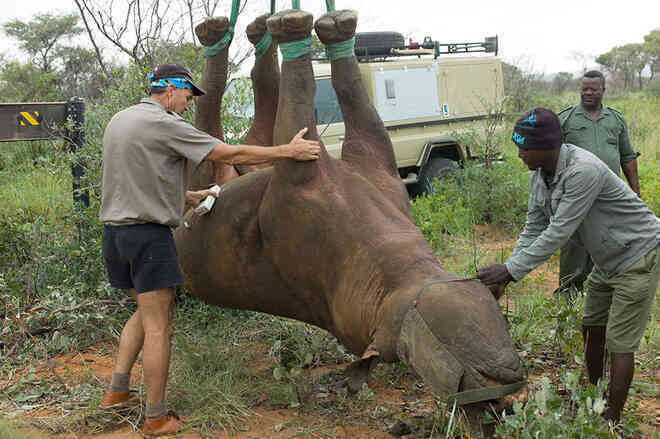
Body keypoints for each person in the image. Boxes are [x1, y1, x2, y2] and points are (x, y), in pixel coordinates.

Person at [97, 63, 321, 436]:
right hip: (148, 237)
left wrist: (185, 196)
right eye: (187, 94)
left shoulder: (120, 120)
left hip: (116, 236)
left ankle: (117, 392)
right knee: (159, 327)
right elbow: (227, 154)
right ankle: (156, 417)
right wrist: (287, 151)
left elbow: (133, 178)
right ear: (170, 89)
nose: (187, 103)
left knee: (142, 314)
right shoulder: (165, 123)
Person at [477, 107, 659, 424]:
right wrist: (509, 270)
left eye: (524, 148)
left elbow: (558, 231)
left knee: (620, 342)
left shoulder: (582, 171)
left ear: (547, 147)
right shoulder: (540, 175)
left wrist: (510, 271)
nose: (519, 154)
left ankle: (610, 421)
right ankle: (594, 396)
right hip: (607, 258)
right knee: (591, 327)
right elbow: (534, 226)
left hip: (638, 253)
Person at [557, 70, 640, 294]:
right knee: (574, 243)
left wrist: (635, 192)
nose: (588, 92)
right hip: (577, 194)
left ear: (603, 90)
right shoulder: (566, 119)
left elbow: (627, 156)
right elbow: (553, 158)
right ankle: (569, 292)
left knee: (608, 241)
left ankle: (602, 291)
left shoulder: (615, 119)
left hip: (609, 196)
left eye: (594, 88)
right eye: (584, 88)